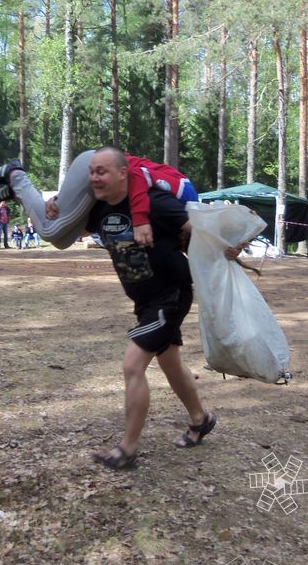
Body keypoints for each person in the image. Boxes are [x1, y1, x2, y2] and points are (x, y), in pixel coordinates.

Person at [80, 146, 219, 470]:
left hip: (170, 294)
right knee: (169, 363)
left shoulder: (155, 203)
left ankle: (127, 449)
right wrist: (55, 206)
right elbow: (75, 229)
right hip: (144, 300)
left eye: (102, 171)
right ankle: (201, 419)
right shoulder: (98, 208)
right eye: (91, 171)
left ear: (121, 173)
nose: (94, 178)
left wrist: (226, 250)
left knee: (133, 364)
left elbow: (197, 230)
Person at [0, 152, 198, 250]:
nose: (176, 243)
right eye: (181, 242)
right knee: (49, 230)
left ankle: (17, 193)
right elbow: (139, 174)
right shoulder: (184, 195)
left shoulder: (170, 218)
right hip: (95, 165)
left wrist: (61, 200)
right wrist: (141, 221)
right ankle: (15, 174)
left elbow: (85, 231)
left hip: (95, 184)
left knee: (62, 241)